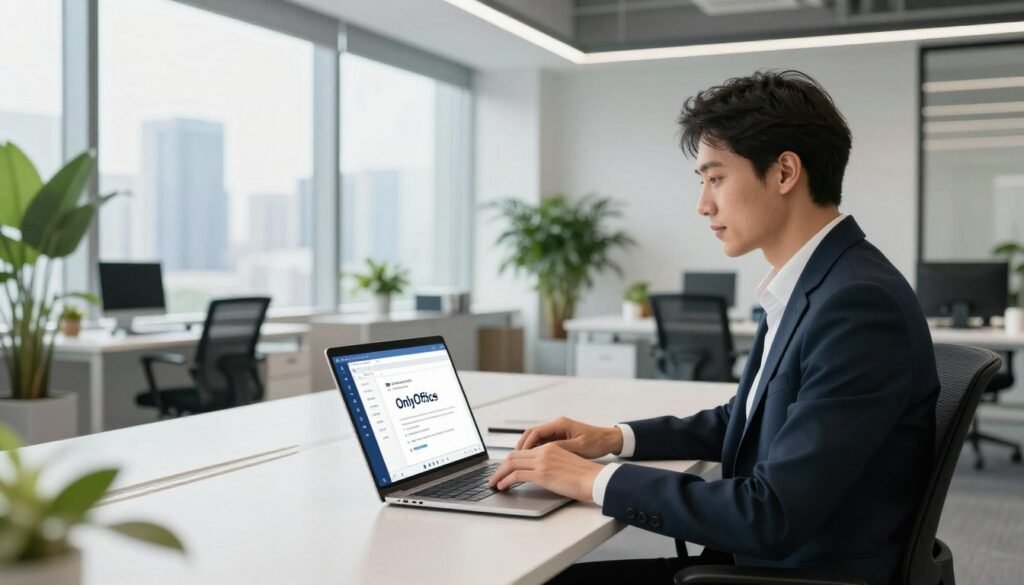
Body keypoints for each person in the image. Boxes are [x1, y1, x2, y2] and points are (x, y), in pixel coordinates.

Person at [488, 70, 939, 585]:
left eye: (716, 177)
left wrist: (594, 480)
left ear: (785, 171)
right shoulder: (819, 282)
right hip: (768, 563)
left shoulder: (857, 303)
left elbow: (771, 515)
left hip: (796, 573)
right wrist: (613, 438)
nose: (703, 204)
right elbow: (744, 420)